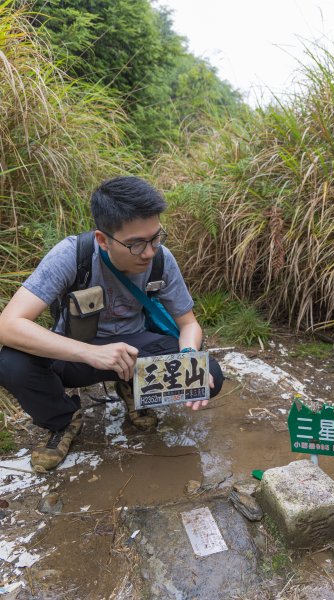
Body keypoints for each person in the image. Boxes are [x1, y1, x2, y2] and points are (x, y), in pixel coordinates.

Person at [0, 176, 224, 472]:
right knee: (10, 362)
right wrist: (89, 352)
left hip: (135, 349)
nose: (148, 252)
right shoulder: (72, 255)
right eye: (135, 244)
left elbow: (189, 324)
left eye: (156, 238)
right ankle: (64, 419)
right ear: (102, 240)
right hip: (77, 353)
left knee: (211, 376)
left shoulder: (160, 259)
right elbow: (8, 325)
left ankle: (133, 387)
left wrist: (189, 360)